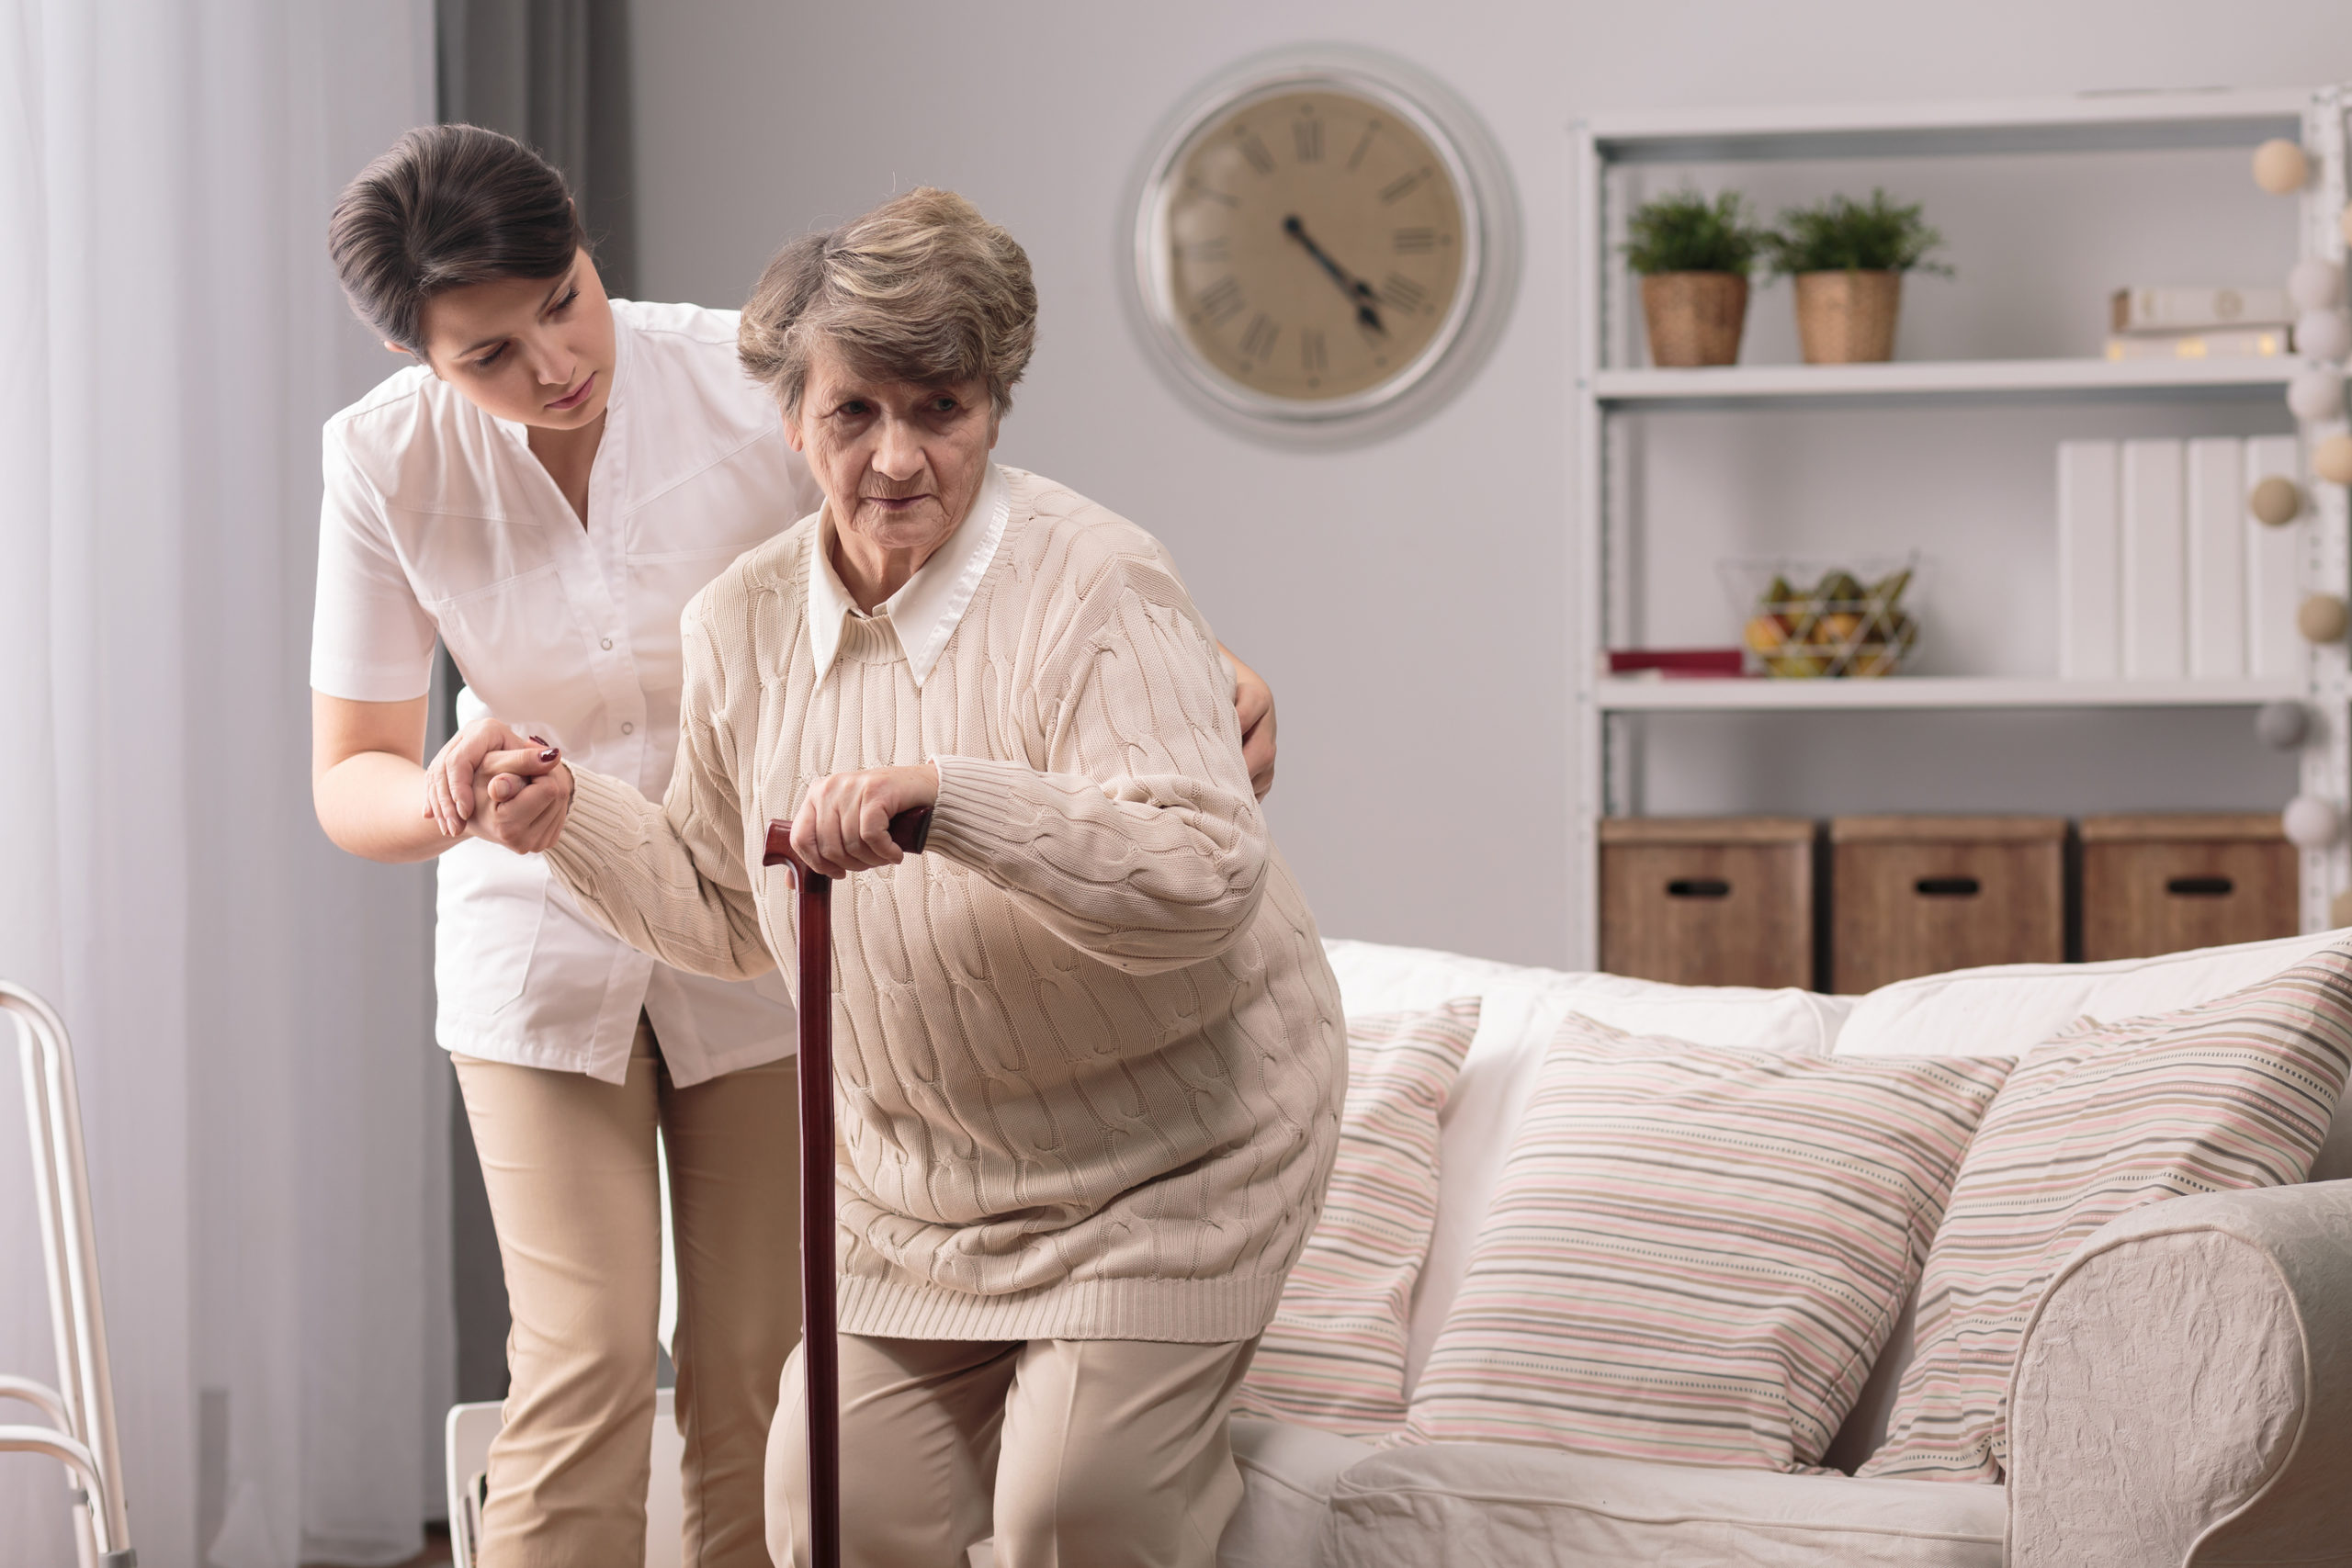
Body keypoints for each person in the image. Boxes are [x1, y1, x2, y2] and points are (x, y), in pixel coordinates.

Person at [309, 130, 1283, 1568]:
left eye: (564, 302)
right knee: (575, 1362)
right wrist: (455, 796)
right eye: (491, 356)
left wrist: (1199, 670)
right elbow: (354, 778)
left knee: (761, 1368)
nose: (555, 364)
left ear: (584, 248)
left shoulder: (744, 374)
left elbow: (950, 511)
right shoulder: (383, 458)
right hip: (548, 918)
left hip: (787, 906)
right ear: (417, 352)